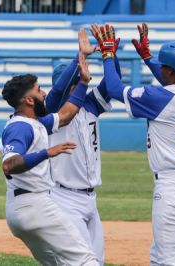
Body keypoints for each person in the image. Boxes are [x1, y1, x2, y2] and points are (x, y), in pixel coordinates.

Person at [92, 24, 175, 265]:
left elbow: (113, 88)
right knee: (160, 256)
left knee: (168, 260)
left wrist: (108, 54)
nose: (160, 68)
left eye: (163, 65)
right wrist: (147, 57)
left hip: (173, 188)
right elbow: (170, 81)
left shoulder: (158, 98)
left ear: (170, 71)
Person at [0, 50, 99, 265]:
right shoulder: (20, 128)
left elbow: (65, 115)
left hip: (20, 210)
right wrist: (46, 153)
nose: (44, 93)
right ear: (28, 99)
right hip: (36, 205)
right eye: (38, 90)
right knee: (87, 260)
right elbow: (9, 164)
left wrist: (83, 82)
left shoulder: (33, 123)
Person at [46, 28, 120, 265]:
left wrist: (110, 53)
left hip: (90, 198)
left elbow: (112, 84)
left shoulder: (90, 104)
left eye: (79, 81)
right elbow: (58, 91)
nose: (78, 85)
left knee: (96, 260)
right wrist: (80, 56)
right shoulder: (51, 109)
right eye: (74, 81)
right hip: (64, 196)